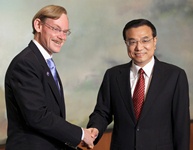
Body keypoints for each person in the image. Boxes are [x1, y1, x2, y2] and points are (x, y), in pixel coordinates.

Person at [86, 19, 190, 150]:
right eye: (132, 42)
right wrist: (94, 128)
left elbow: (181, 124)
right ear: (126, 44)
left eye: (145, 40)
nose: (139, 47)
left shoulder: (175, 76)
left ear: (155, 41)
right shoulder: (112, 75)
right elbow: (102, 112)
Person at [4, 5, 95, 150]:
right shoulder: (25, 63)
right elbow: (38, 116)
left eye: (65, 32)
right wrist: (81, 134)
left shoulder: (43, 62)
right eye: (56, 29)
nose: (62, 37)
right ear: (38, 25)